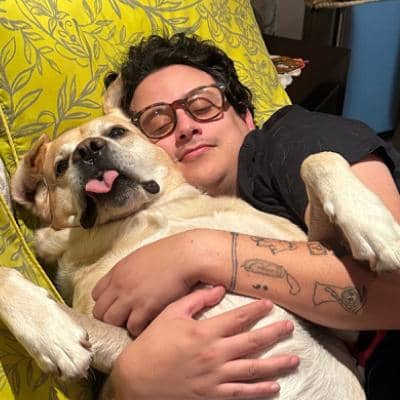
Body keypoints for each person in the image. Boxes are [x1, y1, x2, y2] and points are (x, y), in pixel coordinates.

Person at [92, 33, 400, 399]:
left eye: (203, 105)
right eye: (159, 124)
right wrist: (131, 379)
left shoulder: (289, 140)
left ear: (246, 117)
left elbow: (394, 290)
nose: (186, 127)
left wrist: (197, 253)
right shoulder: (179, 220)